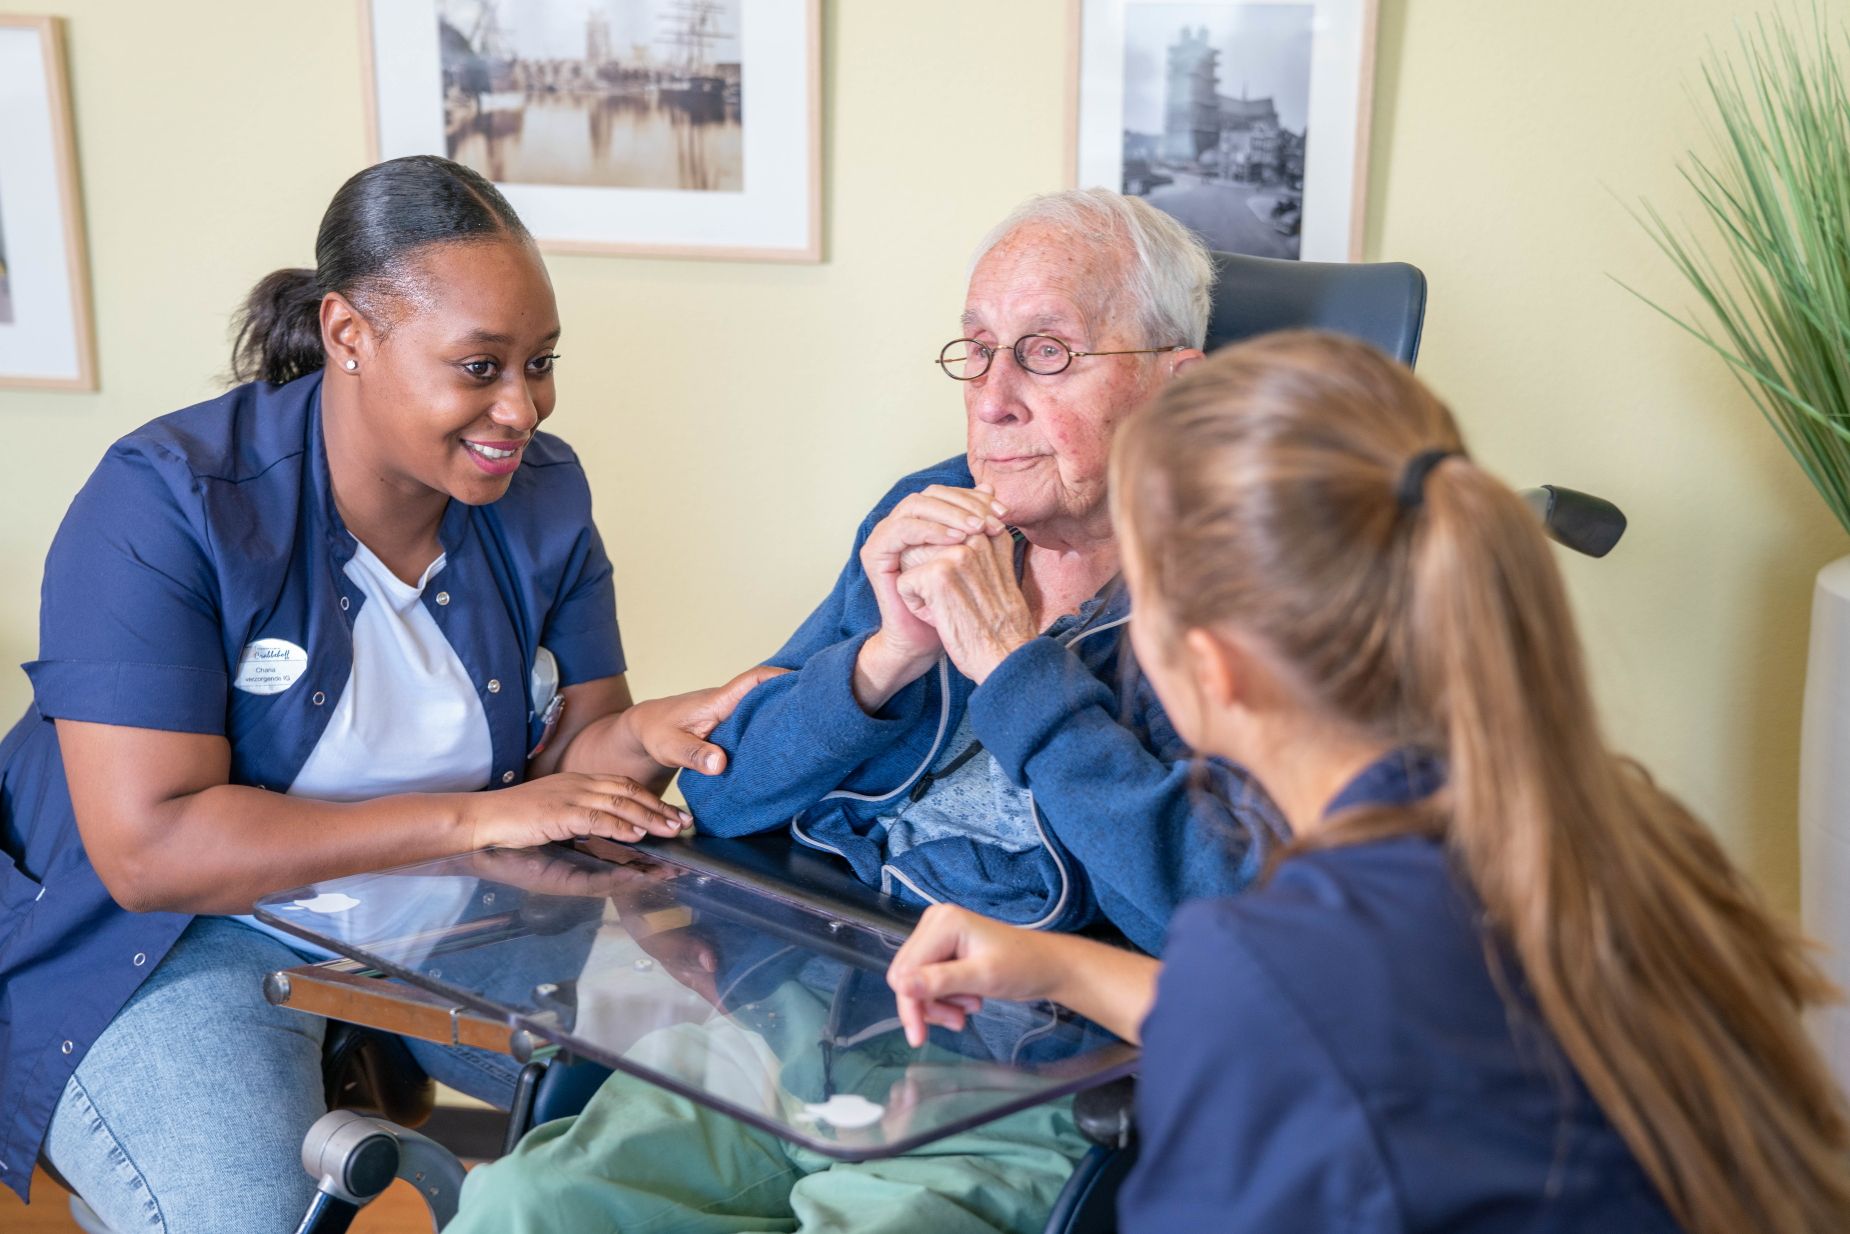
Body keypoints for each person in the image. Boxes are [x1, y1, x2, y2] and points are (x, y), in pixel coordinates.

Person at [445, 189, 1283, 1234]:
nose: (992, 399)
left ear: (1174, 388)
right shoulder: (930, 517)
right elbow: (726, 788)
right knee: (523, 1202)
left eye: (1047, 353)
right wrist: (882, 660)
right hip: (805, 1019)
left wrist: (1013, 668)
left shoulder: (1244, 590)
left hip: (1031, 1075)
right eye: (977, 351)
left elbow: (1222, 920)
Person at [886, 331, 1850, 1233]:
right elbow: (1342, 1019)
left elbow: (1297, 1015)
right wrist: (1062, 967)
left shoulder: (1280, 973)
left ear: (1213, 668)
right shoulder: (1615, 822)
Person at [2, 155, 772, 1233]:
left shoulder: (542, 494)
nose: (521, 407)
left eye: (541, 363)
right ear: (349, 334)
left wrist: (639, 735)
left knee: (728, 1110)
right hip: (178, 937)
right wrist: (471, 819)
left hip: (452, 915)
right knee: (249, 1218)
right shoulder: (167, 501)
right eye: (480, 366)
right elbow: (152, 851)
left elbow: (565, 777)